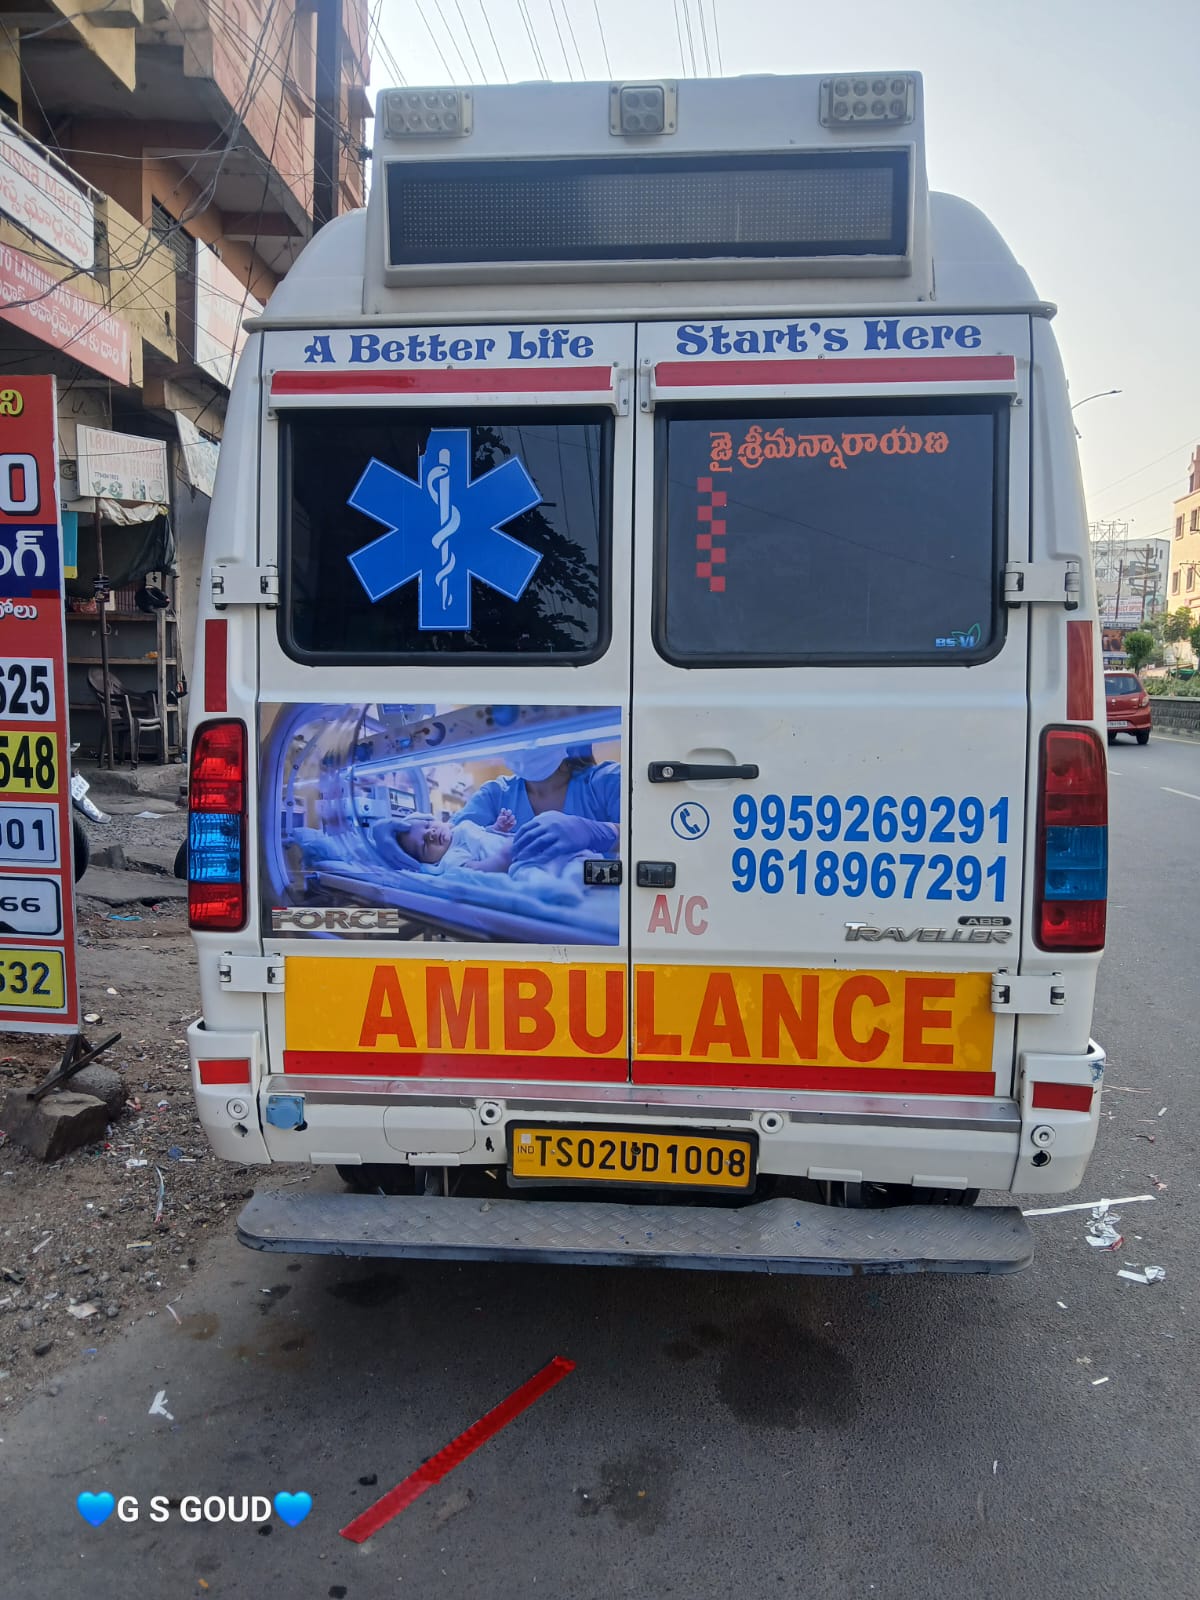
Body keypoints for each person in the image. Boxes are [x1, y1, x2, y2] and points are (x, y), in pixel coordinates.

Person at [454, 744, 619, 868]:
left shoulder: (608, 781)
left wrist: (597, 832)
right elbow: (447, 842)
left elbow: (644, 838)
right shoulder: (494, 794)